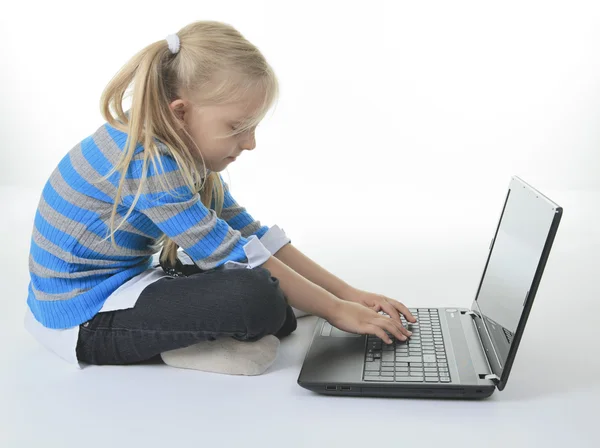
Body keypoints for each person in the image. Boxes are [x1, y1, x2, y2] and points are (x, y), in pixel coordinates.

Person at [24, 20, 417, 376]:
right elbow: (237, 255)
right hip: (82, 320)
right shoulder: (146, 161)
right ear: (180, 114)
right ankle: (186, 344)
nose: (250, 143)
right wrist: (335, 312)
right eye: (238, 127)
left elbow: (250, 235)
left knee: (268, 291)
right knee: (257, 297)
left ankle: (231, 320)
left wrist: (349, 296)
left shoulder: (176, 148)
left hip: (125, 284)